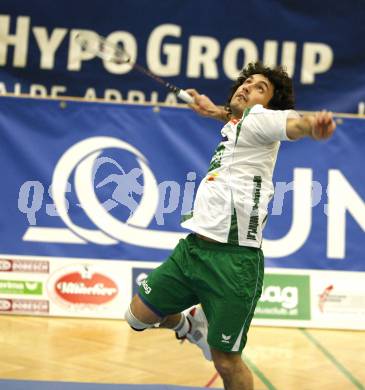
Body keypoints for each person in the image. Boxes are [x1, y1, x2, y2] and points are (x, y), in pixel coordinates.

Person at [125, 62, 336, 390]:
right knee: (138, 316)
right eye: (246, 82)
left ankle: (201, 330)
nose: (247, 87)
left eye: (259, 88)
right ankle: (191, 326)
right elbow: (237, 116)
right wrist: (214, 110)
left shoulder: (263, 120)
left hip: (234, 264)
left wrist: (313, 126)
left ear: (269, 105)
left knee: (227, 361)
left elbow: (294, 124)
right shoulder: (239, 124)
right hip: (193, 249)